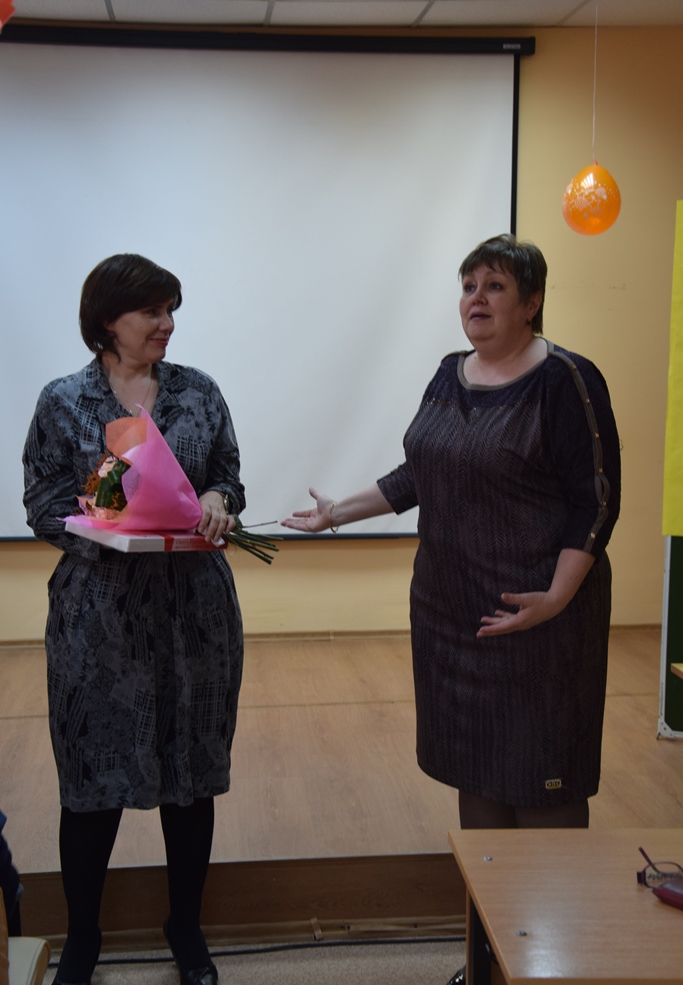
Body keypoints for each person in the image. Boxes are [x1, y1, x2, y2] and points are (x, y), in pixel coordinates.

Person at [284, 233, 620, 825]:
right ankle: (484, 889)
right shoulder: (448, 373)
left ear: (532, 302)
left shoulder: (566, 379)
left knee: (543, 778)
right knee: (476, 767)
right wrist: (336, 513)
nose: (476, 298)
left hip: (537, 619)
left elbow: (594, 503)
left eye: (495, 286)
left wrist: (554, 599)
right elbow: (421, 471)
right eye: (468, 286)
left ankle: (550, 890)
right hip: (451, 614)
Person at [23, 254, 245, 985]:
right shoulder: (64, 400)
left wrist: (217, 500)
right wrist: (108, 505)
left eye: (171, 309)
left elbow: (228, 474)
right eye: (151, 310)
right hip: (99, 623)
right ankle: (83, 940)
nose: (166, 324)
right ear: (106, 320)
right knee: (92, 781)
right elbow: (42, 504)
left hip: (195, 617)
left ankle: (186, 929)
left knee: (191, 779)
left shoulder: (198, 391)